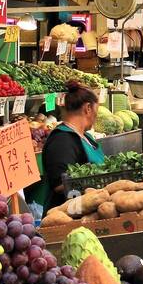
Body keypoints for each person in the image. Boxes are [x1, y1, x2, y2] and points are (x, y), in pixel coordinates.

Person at [40, 81, 106, 210]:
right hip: (68, 214)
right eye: (96, 110)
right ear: (88, 108)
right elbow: (60, 185)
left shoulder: (87, 137)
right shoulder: (61, 140)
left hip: (93, 207)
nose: (96, 116)